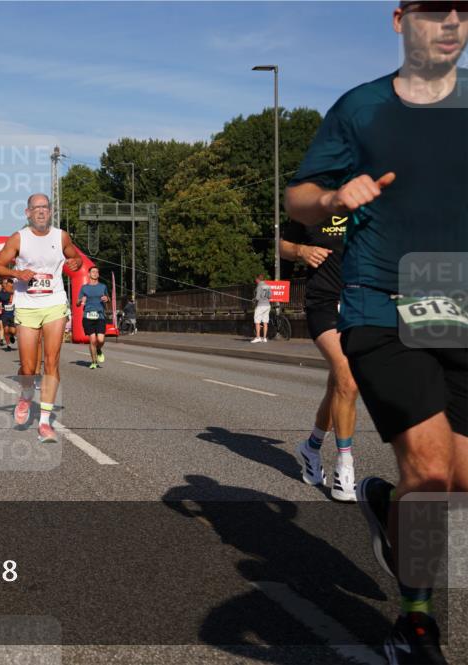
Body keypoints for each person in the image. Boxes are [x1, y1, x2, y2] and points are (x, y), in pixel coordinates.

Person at [285, 4, 467, 661]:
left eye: (462, 9)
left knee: (453, 483)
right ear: (399, 20)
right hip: (380, 302)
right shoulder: (361, 108)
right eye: (431, 8)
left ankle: (391, 508)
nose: (449, 20)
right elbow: (297, 195)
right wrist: (332, 199)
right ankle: (414, 625)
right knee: (431, 467)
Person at [0, 193, 83, 443]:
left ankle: (44, 422)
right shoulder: (19, 238)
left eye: (45, 207)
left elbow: (74, 255)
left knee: (51, 361)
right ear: (27, 212)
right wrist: (16, 273)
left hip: (54, 304)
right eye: (36, 207)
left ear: (50, 212)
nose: (41, 211)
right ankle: (25, 396)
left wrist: (74, 262)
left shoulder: (61, 236)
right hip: (27, 306)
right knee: (29, 367)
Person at [282, 216, 360, 502]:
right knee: (349, 379)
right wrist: (301, 252)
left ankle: (311, 447)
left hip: (362, 301)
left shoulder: (370, 198)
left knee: (339, 382)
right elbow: (283, 246)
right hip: (323, 301)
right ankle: (345, 466)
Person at [78, 266, 110, 368]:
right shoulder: (84, 288)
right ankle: (94, 362)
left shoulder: (103, 286)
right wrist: (80, 300)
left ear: (98, 274)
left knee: (100, 340)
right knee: (92, 340)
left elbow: (108, 298)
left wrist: (107, 298)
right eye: (93, 272)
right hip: (88, 316)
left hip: (100, 315)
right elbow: (77, 303)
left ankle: (99, 349)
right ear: (89, 274)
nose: (95, 273)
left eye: (97, 272)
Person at [0, 278, 17, 350]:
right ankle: (8, 345)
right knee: (6, 330)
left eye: (7, 283)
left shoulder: (13, 291)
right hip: (4, 313)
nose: (7, 284)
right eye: (5, 283)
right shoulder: (0, 293)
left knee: (13, 331)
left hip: (13, 313)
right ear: (3, 285)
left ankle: (12, 336)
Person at [251, 274, 271, 343]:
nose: (255, 281)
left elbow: (257, 298)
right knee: (265, 322)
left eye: (256, 280)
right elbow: (270, 296)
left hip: (260, 306)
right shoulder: (268, 286)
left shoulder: (259, 286)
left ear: (258, 279)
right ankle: (264, 338)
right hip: (267, 305)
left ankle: (258, 337)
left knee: (257, 322)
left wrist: (253, 300)